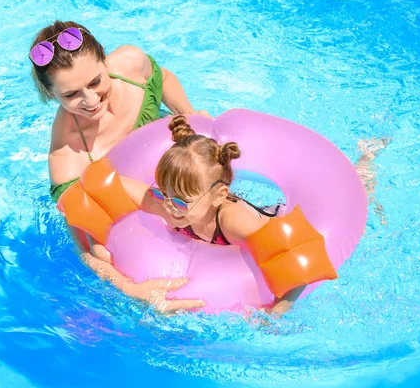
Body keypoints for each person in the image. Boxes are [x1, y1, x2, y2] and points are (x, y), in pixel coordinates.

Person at [88, 115, 389, 316]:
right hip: (212, 225)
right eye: (162, 194)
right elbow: (96, 184)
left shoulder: (234, 222)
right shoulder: (172, 206)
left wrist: (274, 315)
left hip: (270, 219)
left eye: (179, 201)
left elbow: (296, 258)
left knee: (359, 186)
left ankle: (365, 158)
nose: (166, 207)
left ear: (218, 195)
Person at [30, 21, 209, 312]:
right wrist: (132, 289)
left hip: (174, 171)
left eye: (95, 82)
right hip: (137, 207)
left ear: (104, 58)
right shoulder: (68, 157)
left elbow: (162, 78)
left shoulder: (130, 64)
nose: (90, 100)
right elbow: (88, 250)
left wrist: (189, 114)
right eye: (71, 95)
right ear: (52, 94)